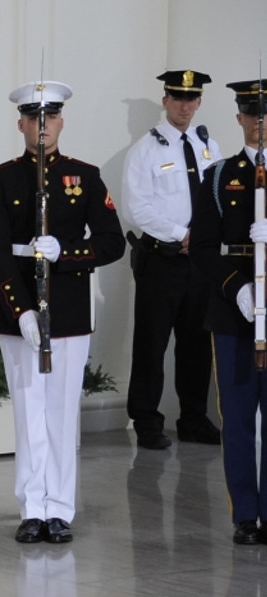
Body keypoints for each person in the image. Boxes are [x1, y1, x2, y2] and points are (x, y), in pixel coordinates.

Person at [0, 81, 125, 545]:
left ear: (61, 122)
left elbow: (111, 242)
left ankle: (59, 508)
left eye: (51, 118)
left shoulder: (85, 175)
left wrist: (68, 251)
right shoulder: (0, 178)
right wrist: (19, 309)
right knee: (28, 412)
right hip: (17, 308)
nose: (42, 127)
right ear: (20, 123)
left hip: (67, 308)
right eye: (33, 118)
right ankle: (32, 507)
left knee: (61, 414)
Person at [120, 70, 221, 449]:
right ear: (165, 101)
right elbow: (136, 209)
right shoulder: (145, 150)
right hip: (163, 261)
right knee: (151, 344)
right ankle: (146, 421)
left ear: (199, 102)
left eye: (191, 98)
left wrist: (207, 239)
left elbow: (219, 196)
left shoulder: (209, 145)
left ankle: (194, 419)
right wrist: (185, 235)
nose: (185, 105)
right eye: (177, 97)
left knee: (196, 345)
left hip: (200, 264)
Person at [190, 78, 267, 545]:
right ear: (238, 117)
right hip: (233, 310)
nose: (260, 121)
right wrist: (237, 288)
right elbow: (201, 247)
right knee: (237, 416)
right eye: (251, 112)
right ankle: (246, 513)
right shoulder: (219, 176)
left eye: (266, 112)